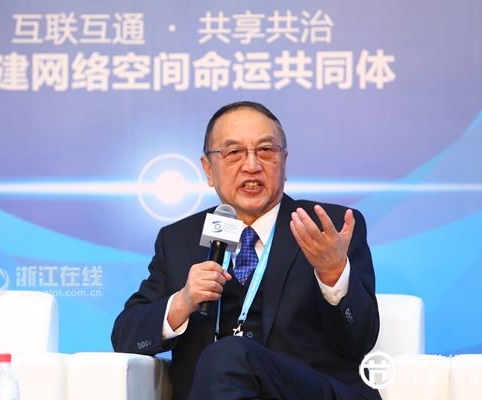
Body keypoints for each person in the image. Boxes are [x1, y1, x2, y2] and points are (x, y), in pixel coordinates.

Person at [111, 101, 381, 400]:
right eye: (234, 153)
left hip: (309, 391)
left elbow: (360, 340)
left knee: (229, 354)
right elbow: (125, 336)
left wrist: (333, 274)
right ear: (208, 169)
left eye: (265, 150)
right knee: (225, 358)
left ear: (284, 161)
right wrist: (182, 302)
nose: (252, 165)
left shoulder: (327, 228)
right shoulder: (179, 239)